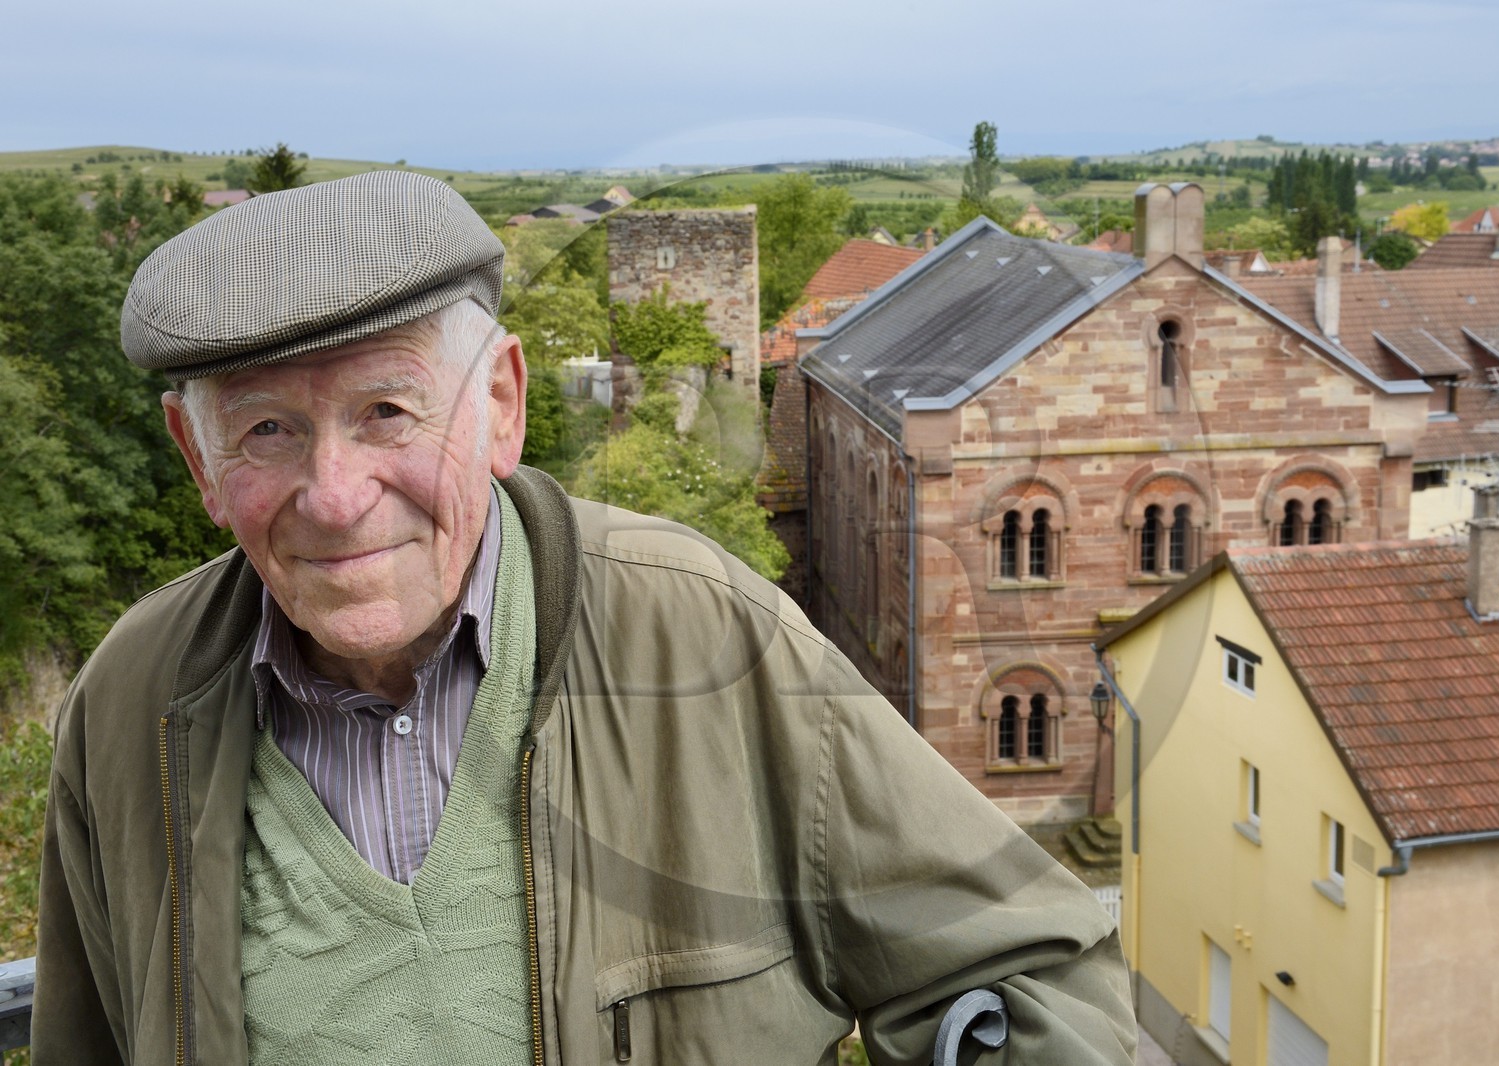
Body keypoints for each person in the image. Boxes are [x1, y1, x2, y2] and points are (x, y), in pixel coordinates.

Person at [34, 171, 1135, 1065]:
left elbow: (1037, 973)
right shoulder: (131, 705)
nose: (335, 493)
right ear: (200, 462)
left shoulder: (702, 634)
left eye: (387, 411)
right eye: (268, 429)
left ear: (500, 405)